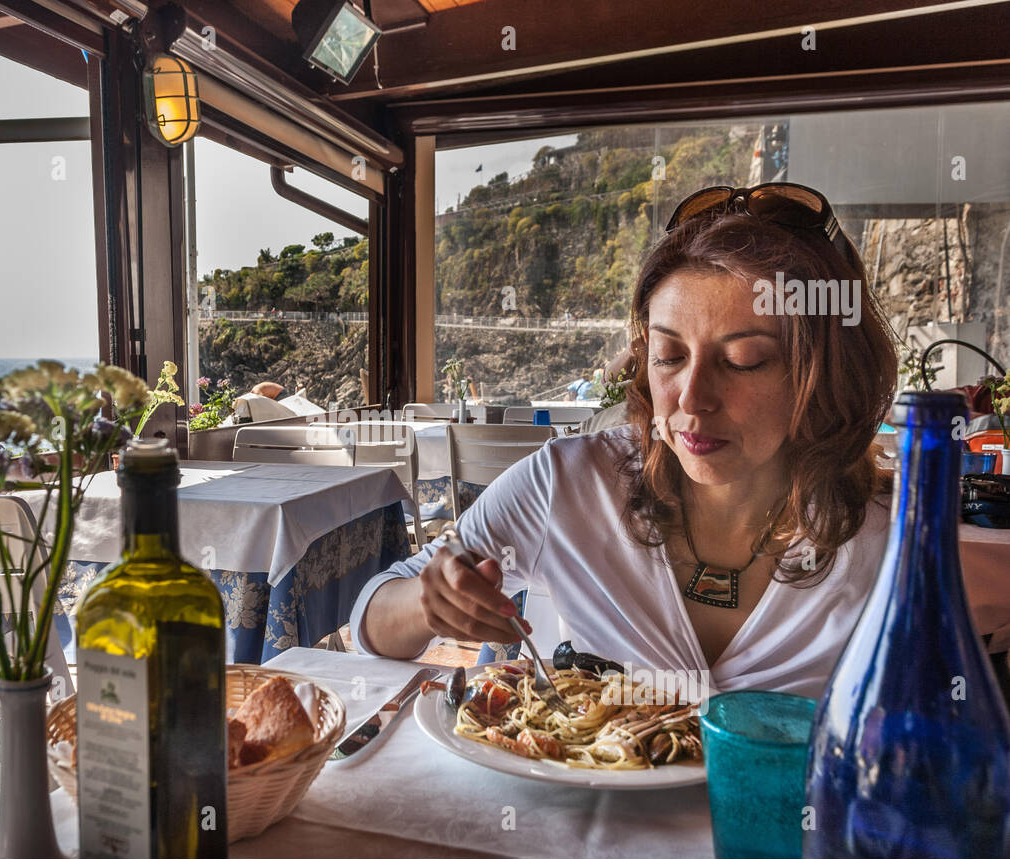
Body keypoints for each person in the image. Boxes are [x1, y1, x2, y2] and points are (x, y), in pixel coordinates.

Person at [349, 183, 898, 696]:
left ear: (825, 373)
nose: (691, 398)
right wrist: (430, 602)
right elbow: (370, 619)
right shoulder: (569, 484)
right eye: (669, 357)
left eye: (742, 361)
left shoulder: (890, 537)